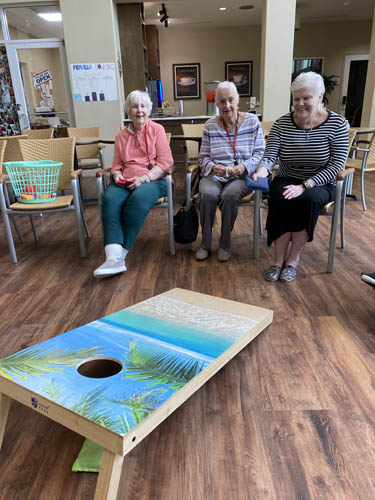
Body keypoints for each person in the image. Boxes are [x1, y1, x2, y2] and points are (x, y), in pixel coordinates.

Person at [252, 71, 349, 282]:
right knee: (280, 196)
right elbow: (270, 155)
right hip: (288, 176)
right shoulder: (282, 124)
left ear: (320, 96)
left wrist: (306, 185)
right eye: (297, 98)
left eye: (307, 98)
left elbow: (336, 166)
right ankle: (278, 261)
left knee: (306, 199)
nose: (301, 103)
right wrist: (263, 169)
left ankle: (292, 260)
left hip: (321, 181)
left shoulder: (338, 125)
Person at [94, 90, 173, 278]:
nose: (139, 110)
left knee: (137, 199)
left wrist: (143, 179)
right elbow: (116, 165)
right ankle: (112, 256)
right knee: (110, 199)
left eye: (143, 106)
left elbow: (165, 162)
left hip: (153, 180)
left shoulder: (157, 130)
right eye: (135, 106)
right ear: (128, 110)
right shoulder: (121, 136)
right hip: (126, 181)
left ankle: (120, 256)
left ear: (149, 109)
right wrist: (117, 176)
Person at [195, 81, 265, 262]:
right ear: (216, 104)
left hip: (242, 175)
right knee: (208, 194)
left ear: (238, 100)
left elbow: (259, 153)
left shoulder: (252, 121)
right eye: (222, 102)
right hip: (215, 175)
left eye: (230, 100)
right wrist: (213, 167)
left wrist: (244, 166)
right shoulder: (210, 125)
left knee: (229, 195)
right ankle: (206, 243)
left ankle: (225, 243)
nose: (227, 106)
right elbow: (202, 158)